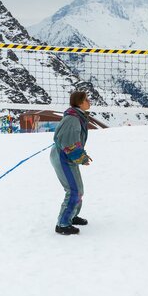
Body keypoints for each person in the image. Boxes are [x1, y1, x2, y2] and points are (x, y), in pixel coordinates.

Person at [50, 91, 93, 235]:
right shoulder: (73, 119)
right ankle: (62, 224)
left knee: (78, 189)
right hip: (63, 156)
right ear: (80, 102)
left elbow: (74, 140)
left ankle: (72, 216)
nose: (89, 101)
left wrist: (82, 156)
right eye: (86, 99)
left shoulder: (77, 116)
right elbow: (69, 142)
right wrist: (81, 158)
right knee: (74, 190)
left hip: (67, 156)